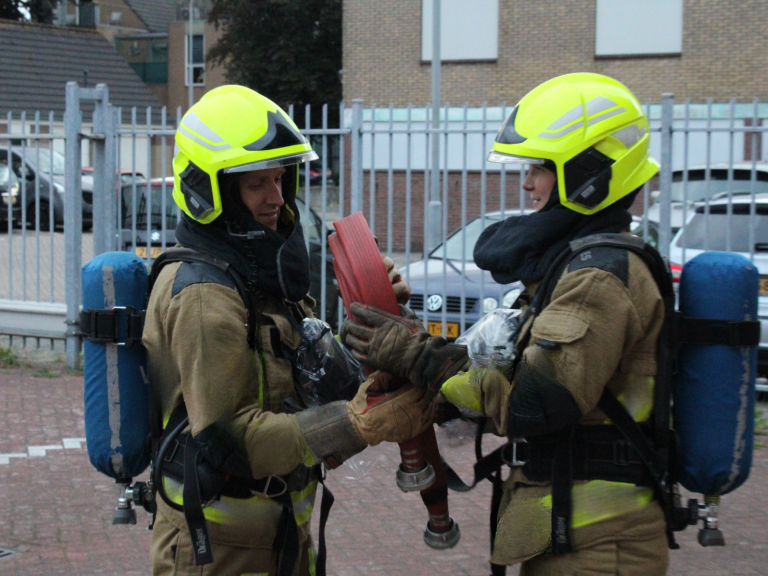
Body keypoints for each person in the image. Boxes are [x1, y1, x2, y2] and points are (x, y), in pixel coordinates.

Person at [341, 73, 670, 575]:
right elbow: (504, 370)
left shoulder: (599, 278)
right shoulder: (574, 265)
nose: (527, 181)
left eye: (541, 167)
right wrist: (415, 345)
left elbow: (534, 402)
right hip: (573, 531)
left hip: (600, 547)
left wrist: (419, 357)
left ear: (588, 174)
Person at [143, 85, 433, 576]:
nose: (276, 198)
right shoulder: (203, 295)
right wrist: (356, 424)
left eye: (280, 179)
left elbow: (302, 382)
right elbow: (228, 438)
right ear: (208, 189)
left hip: (278, 535)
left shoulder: (258, 274)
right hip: (219, 550)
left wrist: (373, 321)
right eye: (257, 184)